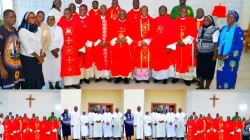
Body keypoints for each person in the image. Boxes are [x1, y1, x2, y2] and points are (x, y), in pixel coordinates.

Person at [167, 7, 197, 86]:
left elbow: (194, 33)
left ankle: (187, 78)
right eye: (182, 11)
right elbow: (171, 34)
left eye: (185, 11)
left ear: (187, 13)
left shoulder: (191, 21)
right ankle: (176, 77)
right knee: (177, 61)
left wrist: (184, 41)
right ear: (180, 12)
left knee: (186, 61)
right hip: (177, 45)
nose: (183, 13)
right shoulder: (175, 21)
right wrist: (176, 42)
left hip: (187, 46)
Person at [57, 8, 84, 89]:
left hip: (75, 47)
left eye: (68, 13)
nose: (66, 15)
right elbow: (57, 32)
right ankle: (67, 83)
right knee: (66, 65)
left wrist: (81, 48)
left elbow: (81, 34)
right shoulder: (61, 21)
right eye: (65, 13)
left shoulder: (76, 21)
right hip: (65, 48)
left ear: (71, 13)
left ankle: (75, 83)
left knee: (75, 64)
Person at [217, 10, 243, 89]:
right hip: (221, 57)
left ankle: (229, 93)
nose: (229, 18)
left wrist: (228, 55)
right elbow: (219, 41)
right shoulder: (224, 28)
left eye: (232, 17)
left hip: (231, 58)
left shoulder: (238, 31)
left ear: (235, 19)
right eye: (228, 16)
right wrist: (218, 53)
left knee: (229, 76)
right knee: (220, 75)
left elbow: (238, 46)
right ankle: (220, 91)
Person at [18, 12, 45, 89]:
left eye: (34, 17)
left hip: (37, 59)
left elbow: (39, 42)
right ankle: (28, 98)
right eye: (31, 17)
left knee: (37, 80)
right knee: (29, 81)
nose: (33, 19)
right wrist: (39, 57)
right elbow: (28, 47)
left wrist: (41, 53)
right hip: (28, 60)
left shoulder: (36, 28)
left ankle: (37, 97)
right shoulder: (22, 30)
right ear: (26, 19)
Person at [0, 9, 24, 89]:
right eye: (11, 17)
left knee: (16, 90)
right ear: (4, 18)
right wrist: (2, 69)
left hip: (16, 67)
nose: (14, 19)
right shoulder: (1, 31)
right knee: (8, 93)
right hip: (6, 69)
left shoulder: (14, 30)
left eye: (15, 17)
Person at [151, 6, 175, 84]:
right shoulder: (155, 20)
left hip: (166, 45)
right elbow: (151, 32)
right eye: (160, 9)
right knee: (157, 61)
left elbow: (172, 35)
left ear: (166, 11)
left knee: (165, 62)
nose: (162, 11)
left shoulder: (170, 21)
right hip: (157, 45)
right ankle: (157, 77)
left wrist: (169, 46)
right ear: (158, 11)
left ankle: (165, 78)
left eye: (163, 10)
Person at [131, 6, 154, 83]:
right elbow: (133, 32)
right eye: (143, 10)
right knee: (138, 60)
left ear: (148, 11)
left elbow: (153, 32)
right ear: (140, 11)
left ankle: (146, 78)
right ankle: (138, 77)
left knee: (146, 60)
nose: (144, 11)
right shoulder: (135, 20)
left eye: (146, 10)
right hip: (139, 44)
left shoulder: (151, 20)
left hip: (147, 44)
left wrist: (147, 41)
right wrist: (140, 41)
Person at [110, 9, 133, 84]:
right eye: (121, 14)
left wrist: (126, 39)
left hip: (126, 46)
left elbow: (133, 32)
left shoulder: (129, 22)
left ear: (126, 15)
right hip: (116, 46)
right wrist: (116, 40)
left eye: (124, 14)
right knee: (117, 61)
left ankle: (125, 77)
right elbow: (111, 32)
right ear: (119, 15)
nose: (122, 16)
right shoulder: (114, 22)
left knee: (125, 61)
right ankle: (118, 77)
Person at [196, 15, 219, 89]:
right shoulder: (200, 29)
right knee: (201, 70)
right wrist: (196, 51)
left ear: (211, 21)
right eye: (204, 20)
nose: (205, 21)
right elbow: (197, 41)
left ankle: (207, 87)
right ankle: (201, 85)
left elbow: (215, 43)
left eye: (207, 20)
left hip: (210, 54)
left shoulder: (215, 29)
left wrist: (215, 55)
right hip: (200, 53)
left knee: (209, 71)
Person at [93, 5, 112, 82]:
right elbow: (93, 32)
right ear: (99, 10)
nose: (103, 10)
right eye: (101, 8)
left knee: (107, 59)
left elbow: (112, 31)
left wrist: (107, 42)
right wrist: (99, 42)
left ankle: (107, 76)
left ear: (106, 10)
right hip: (99, 44)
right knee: (99, 59)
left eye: (104, 8)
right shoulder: (95, 19)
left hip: (107, 44)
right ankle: (98, 76)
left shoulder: (110, 20)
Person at [46, 12, 63, 89]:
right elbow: (43, 41)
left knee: (57, 68)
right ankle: (50, 84)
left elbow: (62, 40)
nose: (51, 21)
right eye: (50, 19)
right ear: (47, 20)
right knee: (49, 68)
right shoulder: (44, 29)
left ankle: (57, 84)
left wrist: (57, 49)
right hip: (48, 51)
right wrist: (51, 50)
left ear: (55, 20)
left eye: (53, 19)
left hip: (57, 50)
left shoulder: (59, 28)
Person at [79, 4, 95, 84]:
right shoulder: (75, 19)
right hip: (79, 44)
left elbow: (93, 31)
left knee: (87, 61)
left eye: (83, 10)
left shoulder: (90, 19)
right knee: (80, 61)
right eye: (80, 10)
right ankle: (80, 78)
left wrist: (89, 42)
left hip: (88, 44)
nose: (82, 11)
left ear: (86, 10)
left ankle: (86, 77)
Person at [36, 11, 52, 84]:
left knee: (45, 71)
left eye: (43, 17)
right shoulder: (32, 25)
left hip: (43, 52)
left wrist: (43, 52)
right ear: (36, 16)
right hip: (34, 53)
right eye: (39, 16)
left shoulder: (45, 26)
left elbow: (48, 40)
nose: (41, 18)